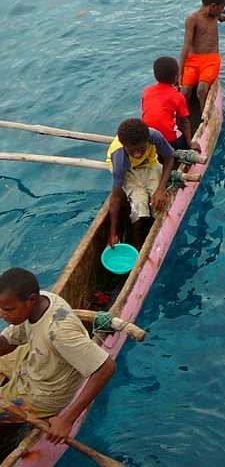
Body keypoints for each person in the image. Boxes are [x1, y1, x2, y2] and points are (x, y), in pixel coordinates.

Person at [0, 268, 116, 444]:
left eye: (8, 310)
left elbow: (106, 367)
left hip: (42, 394)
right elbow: (9, 340)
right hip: (36, 357)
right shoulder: (40, 302)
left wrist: (67, 420)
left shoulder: (60, 333)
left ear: (30, 300)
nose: (2, 315)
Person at [105, 117, 175, 248]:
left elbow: (169, 158)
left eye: (141, 148)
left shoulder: (154, 136)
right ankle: (137, 244)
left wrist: (160, 190)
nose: (137, 154)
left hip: (149, 163)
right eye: (132, 150)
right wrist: (113, 233)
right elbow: (115, 196)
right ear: (123, 144)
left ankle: (155, 229)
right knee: (139, 205)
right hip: (128, 169)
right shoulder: (119, 159)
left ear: (147, 140)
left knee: (159, 202)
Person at [178, 0, 225, 111]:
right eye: (222, 7)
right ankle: (181, 115)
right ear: (213, 6)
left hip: (211, 60)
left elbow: (221, 17)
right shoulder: (193, 19)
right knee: (184, 91)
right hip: (193, 60)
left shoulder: (215, 15)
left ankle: (204, 116)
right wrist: (180, 72)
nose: (222, 10)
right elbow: (186, 47)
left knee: (202, 90)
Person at [141, 56, 196, 152]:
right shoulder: (178, 96)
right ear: (176, 77)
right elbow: (185, 122)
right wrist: (190, 143)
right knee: (181, 137)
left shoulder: (146, 91)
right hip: (172, 141)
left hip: (149, 137)